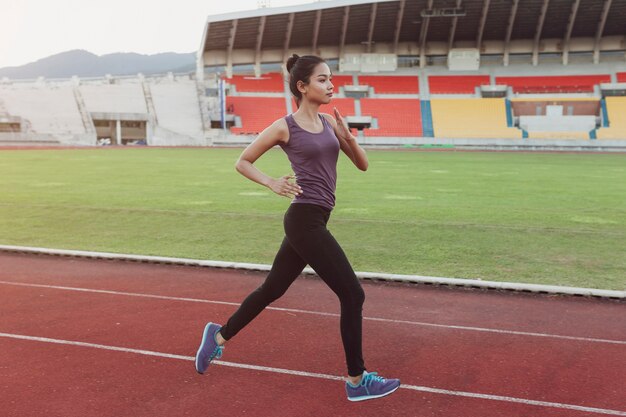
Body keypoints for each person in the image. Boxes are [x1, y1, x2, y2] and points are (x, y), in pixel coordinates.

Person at [195, 54, 400, 402]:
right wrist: (271, 182)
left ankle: (217, 337)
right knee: (352, 293)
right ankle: (356, 380)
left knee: (272, 290)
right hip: (303, 219)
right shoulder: (284, 126)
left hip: (316, 218)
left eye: (331, 78)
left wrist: (347, 137)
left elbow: (363, 165)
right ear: (302, 86)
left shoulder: (330, 124)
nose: (331, 84)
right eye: (322, 79)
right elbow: (242, 161)